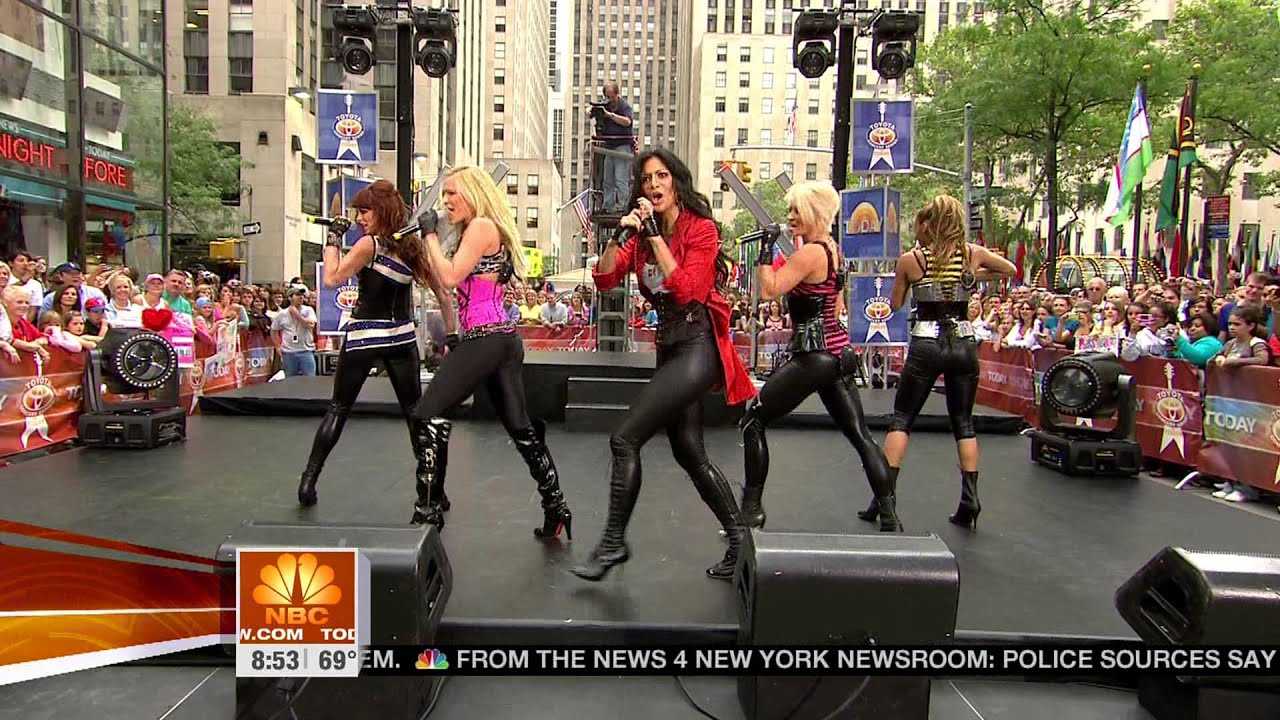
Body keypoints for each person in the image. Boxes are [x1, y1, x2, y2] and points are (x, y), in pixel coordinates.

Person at [573, 148, 756, 582]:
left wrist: (655, 236)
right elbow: (604, 279)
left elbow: (689, 289)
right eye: (646, 179)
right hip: (670, 347)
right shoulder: (639, 238)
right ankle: (740, 541)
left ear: (676, 181)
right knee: (689, 451)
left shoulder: (701, 230)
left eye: (661, 176)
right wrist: (619, 237)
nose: (653, 185)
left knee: (624, 439)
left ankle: (613, 543)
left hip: (698, 345)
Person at [410, 165, 572, 540]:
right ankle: (557, 507)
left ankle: (428, 514)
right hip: (499, 340)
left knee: (426, 415)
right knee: (520, 427)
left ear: (473, 193)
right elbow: (447, 284)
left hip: (488, 338)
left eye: (453, 192)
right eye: (444, 194)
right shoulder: (478, 230)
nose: (446, 200)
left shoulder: (482, 226)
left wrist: (430, 234)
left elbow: (450, 277)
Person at [740, 182, 900, 532]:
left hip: (814, 355)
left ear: (814, 213)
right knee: (860, 435)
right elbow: (836, 304)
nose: (790, 216)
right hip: (838, 353)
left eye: (797, 210)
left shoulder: (811, 253)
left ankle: (751, 510)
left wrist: (765, 250)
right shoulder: (833, 250)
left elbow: (769, 290)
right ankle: (889, 514)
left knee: (753, 421)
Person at [869, 195, 1016, 531]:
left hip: (926, 341)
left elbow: (895, 304)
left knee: (902, 419)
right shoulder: (971, 253)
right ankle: (970, 500)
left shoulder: (912, 259)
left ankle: (884, 500)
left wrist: (915, 283)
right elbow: (1009, 269)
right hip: (963, 341)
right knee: (963, 422)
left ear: (929, 224)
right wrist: (972, 277)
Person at [296, 179, 436, 509]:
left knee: (338, 408)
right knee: (414, 413)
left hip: (365, 336)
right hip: (401, 337)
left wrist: (333, 237)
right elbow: (438, 285)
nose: (359, 218)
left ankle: (308, 481)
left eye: (364, 211)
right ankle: (433, 489)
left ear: (382, 211)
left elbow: (331, 278)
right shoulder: (412, 248)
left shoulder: (368, 245)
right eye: (358, 212)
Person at [590, 81, 635, 211]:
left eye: (611, 96)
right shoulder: (605, 106)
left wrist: (610, 115)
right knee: (608, 179)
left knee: (620, 178)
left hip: (623, 146)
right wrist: (591, 110)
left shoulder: (624, 107)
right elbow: (591, 112)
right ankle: (608, 205)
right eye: (607, 96)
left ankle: (622, 206)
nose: (610, 99)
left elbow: (627, 122)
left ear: (617, 94)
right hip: (609, 147)